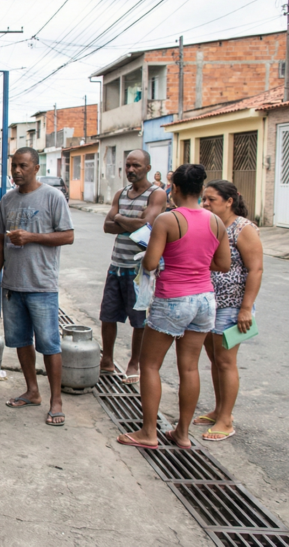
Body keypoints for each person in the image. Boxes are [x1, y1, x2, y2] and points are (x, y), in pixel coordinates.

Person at [117, 164, 230, 451]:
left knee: (150, 365)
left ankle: (148, 432)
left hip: (173, 299)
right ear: (201, 189)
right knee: (190, 368)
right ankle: (182, 433)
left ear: (175, 188)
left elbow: (151, 263)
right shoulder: (216, 221)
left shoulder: (169, 220)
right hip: (205, 299)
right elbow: (223, 264)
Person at [0, 147, 75, 426]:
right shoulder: (8, 200)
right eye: (14, 166)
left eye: (23, 166)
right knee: (21, 341)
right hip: (13, 285)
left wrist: (32, 237)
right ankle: (32, 390)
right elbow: (1, 240)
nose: (16, 171)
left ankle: (56, 401)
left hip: (42, 284)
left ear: (36, 168)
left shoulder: (53, 196)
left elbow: (68, 236)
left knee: (49, 344)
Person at [196, 180, 263, 441]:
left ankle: (226, 419)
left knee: (226, 362)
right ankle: (219, 410)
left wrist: (246, 308)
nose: (206, 203)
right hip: (210, 303)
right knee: (215, 360)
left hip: (233, 306)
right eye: (204, 199)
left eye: (211, 199)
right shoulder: (212, 225)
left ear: (229, 201)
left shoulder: (243, 228)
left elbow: (255, 269)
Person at [100, 150, 166, 383]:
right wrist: (126, 222)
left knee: (139, 320)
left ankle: (133, 363)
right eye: (128, 165)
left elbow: (146, 226)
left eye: (136, 165)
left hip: (140, 270)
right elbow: (107, 226)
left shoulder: (156, 195)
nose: (130, 170)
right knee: (108, 316)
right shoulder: (121, 193)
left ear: (148, 168)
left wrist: (119, 218)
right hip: (116, 264)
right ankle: (106, 361)